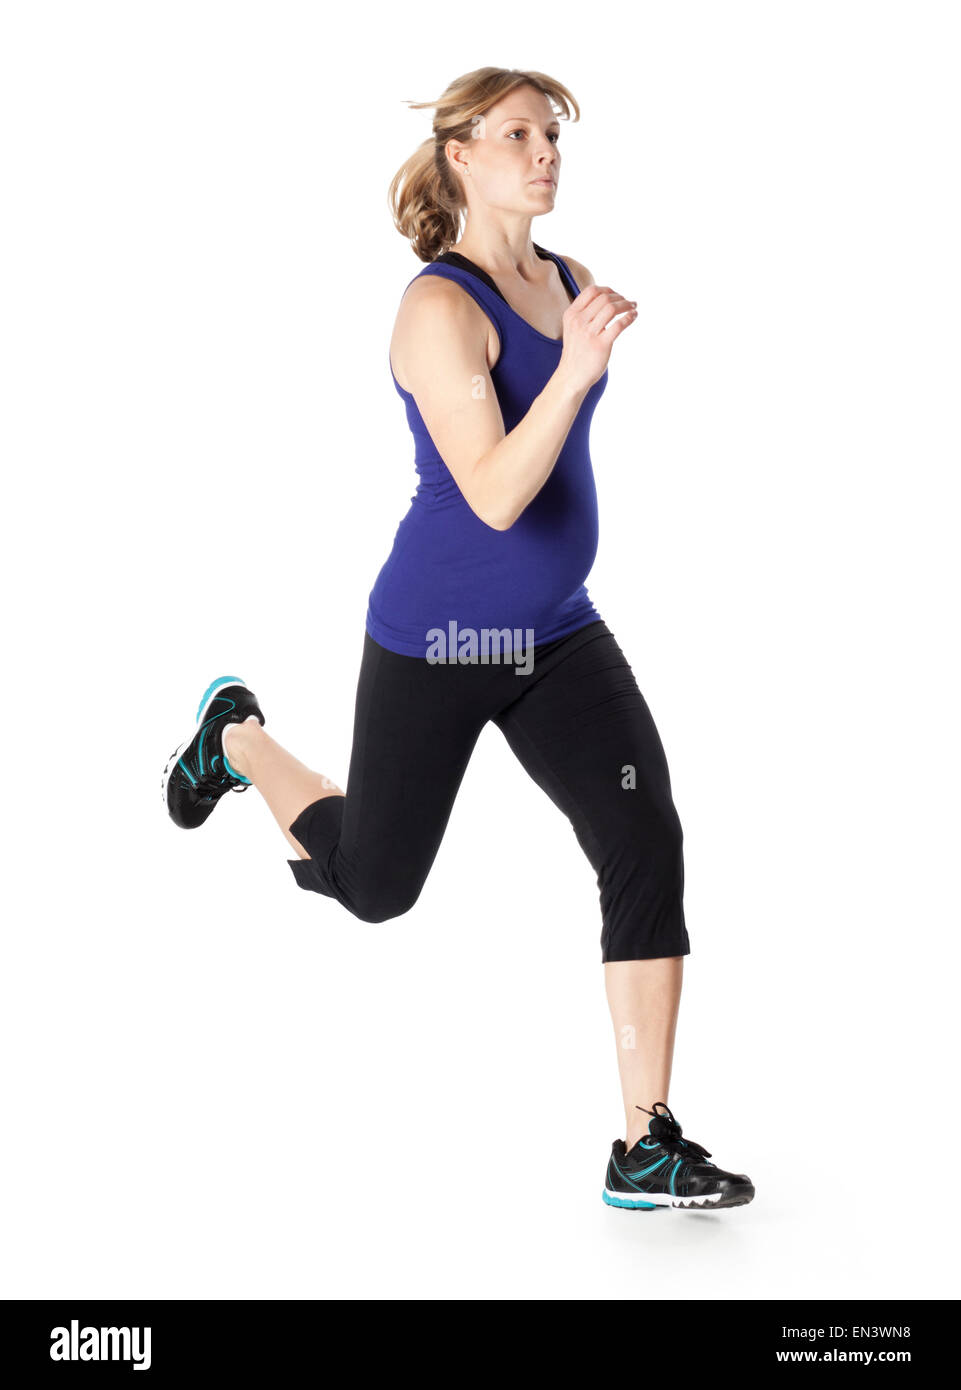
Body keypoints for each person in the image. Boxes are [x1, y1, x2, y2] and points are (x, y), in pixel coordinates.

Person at [162, 66, 754, 1211]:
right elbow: (490, 493)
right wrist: (577, 370)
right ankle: (236, 739)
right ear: (460, 157)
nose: (545, 153)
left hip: (556, 636)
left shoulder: (564, 279)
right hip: (445, 640)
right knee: (375, 886)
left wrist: (576, 350)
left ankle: (645, 1143)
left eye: (553, 136)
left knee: (643, 836)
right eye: (520, 134)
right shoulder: (435, 307)